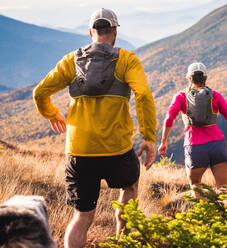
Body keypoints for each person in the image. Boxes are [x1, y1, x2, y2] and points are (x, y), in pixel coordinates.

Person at [33, 8, 156, 248]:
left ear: (91, 32)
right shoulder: (127, 60)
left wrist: (51, 113)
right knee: (129, 188)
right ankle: (123, 241)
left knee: (82, 216)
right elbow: (143, 95)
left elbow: (40, 92)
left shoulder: (72, 61)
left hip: (79, 150)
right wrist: (148, 137)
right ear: (115, 32)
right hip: (117, 148)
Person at [158, 62, 227, 199]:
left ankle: (203, 217)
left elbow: (169, 118)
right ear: (205, 78)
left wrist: (163, 142)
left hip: (194, 146)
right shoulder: (215, 95)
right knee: (225, 188)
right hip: (217, 144)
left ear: (189, 78)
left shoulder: (181, 97)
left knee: (195, 184)